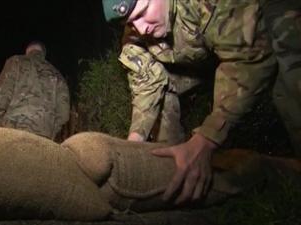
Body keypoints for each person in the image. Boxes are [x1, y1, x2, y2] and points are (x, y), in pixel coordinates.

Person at [102, 0, 301, 205]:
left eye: (143, 13)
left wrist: (205, 140)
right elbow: (146, 85)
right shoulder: (136, 35)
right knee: (161, 86)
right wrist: (133, 146)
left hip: (254, 28)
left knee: (288, 47)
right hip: (204, 56)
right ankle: (178, 175)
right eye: (131, 22)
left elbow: (249, 60)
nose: (142, 29)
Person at [0, 41, 70, 140]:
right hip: (43, 137)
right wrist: (51, 131)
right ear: (43, 54)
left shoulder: (16, 61)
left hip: (12, 129)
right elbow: (64, 114)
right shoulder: (57, 75)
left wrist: (1, 120)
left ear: (27, 51)